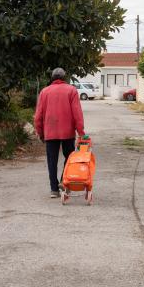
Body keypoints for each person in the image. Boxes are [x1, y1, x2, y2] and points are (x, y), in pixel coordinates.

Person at [34, 68, 85, 198]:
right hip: (68, 132)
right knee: (69, 158)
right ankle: (64, 181)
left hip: (50, 131)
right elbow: (77, 114)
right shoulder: (71, 90)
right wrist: (81, 132)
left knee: (52, 161)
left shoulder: (44, 92)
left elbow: (38, 116)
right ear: (64, 77)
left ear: (52, 77)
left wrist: (40, 132)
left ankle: (54, 190)